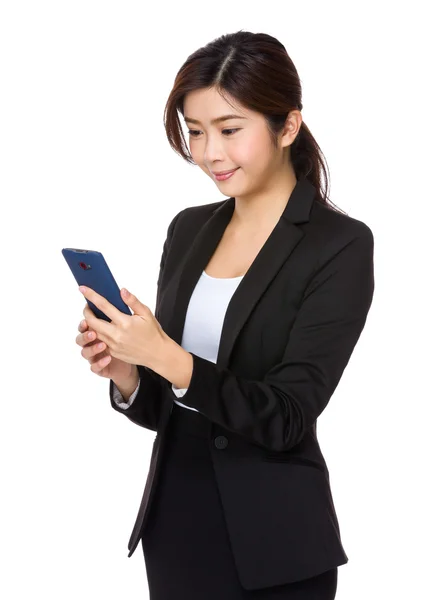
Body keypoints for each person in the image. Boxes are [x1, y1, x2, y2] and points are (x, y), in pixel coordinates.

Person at [76, 30, 374, 600]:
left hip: (276, 547)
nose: (211, 152)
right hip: (177, 530)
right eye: (195, 132)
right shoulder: (189, 229)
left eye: (230, 130)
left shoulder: (339, 245)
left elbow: (287, 416)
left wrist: (168, 356)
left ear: (287, 126)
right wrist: (130, 373)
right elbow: (176, 407)